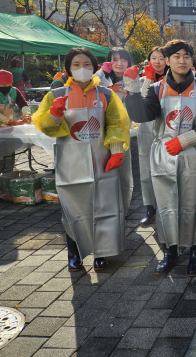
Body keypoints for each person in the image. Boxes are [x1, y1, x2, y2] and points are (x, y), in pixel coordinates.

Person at [124, 40, 196, 277]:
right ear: (167, 61)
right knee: (167, 205)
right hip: (165, 157)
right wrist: (133, 91)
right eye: (176, 56)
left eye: (186, 56)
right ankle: (170, 250)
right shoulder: (157, 89)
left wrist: (186, 140)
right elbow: (142, 115)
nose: (182, 60)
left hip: (194, 155)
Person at [32, 48, 130, 272]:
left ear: (94, 67)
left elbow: (117, 123)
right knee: (73, 209)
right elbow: (45, 126)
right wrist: (55, 114)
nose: (81, 69)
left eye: (86, 64)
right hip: (71, 162)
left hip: (101, 160)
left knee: (103, 205)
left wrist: (116, 151)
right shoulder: (56, 95)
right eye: (76, 65)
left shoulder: (105, 94)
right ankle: (73, 252)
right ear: (68, 69)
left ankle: (101, 252)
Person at [97, 47, 135, 209]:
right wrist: (103, 75)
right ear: (108, 62)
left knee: (125, 174)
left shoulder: (132, 79)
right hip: (100, 134)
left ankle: (124, 210)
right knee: (102, 172)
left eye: (124, 59)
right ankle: (105, 210)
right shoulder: (100, 79)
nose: (119, 63)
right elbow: (92, 91)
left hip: (123, 134)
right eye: (115, 59)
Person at [137, 46, 169, 227]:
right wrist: (148, 80)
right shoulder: (142, 79)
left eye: (161, 58)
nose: (157, 61)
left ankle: (167, 206)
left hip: (166, 126)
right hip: (146, 128)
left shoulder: (172, 79)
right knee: (146, 169)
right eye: (153, 58)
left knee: (167, 168)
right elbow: (141, 102)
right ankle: (150, 208)